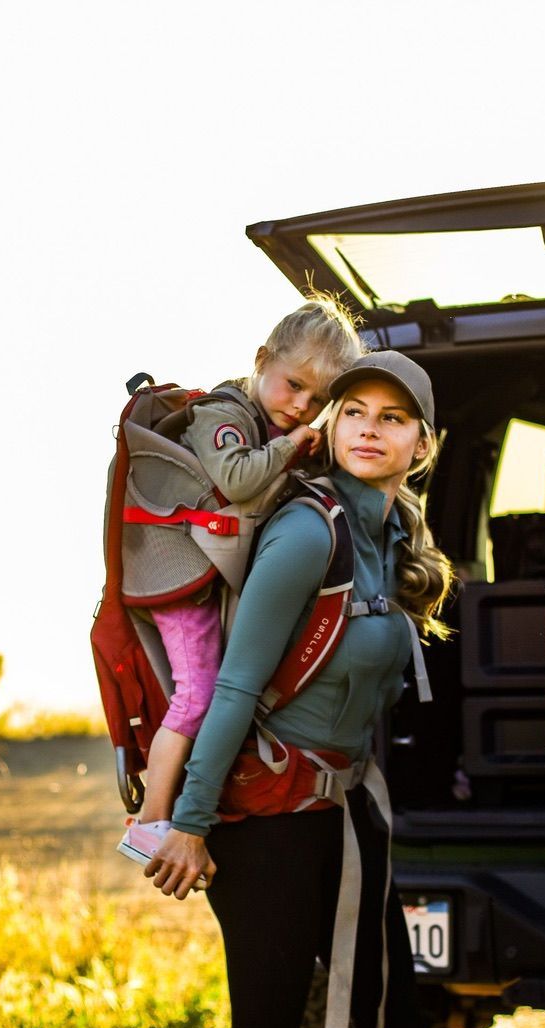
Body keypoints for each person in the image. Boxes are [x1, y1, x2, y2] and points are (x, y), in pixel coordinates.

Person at [143, 350, 455, 1028]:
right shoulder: (308, 532)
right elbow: (236, 686)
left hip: (343, 812)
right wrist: (189, 824)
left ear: (423, 442)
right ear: (331, 424)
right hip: (266, 823)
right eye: (353, 413)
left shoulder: (392, 538)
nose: (369, 431)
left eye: (392, 418)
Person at [117, 292, 362, 866]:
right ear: (261, 360)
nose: (301, 406)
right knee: (199, 692)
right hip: (175, 575)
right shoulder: (222, 416)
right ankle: (152, 820)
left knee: (210, 687)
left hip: (197, 573)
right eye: (292, 385)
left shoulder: (264, 420)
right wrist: (292, 446)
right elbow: (238, 477)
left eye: (318, 400)